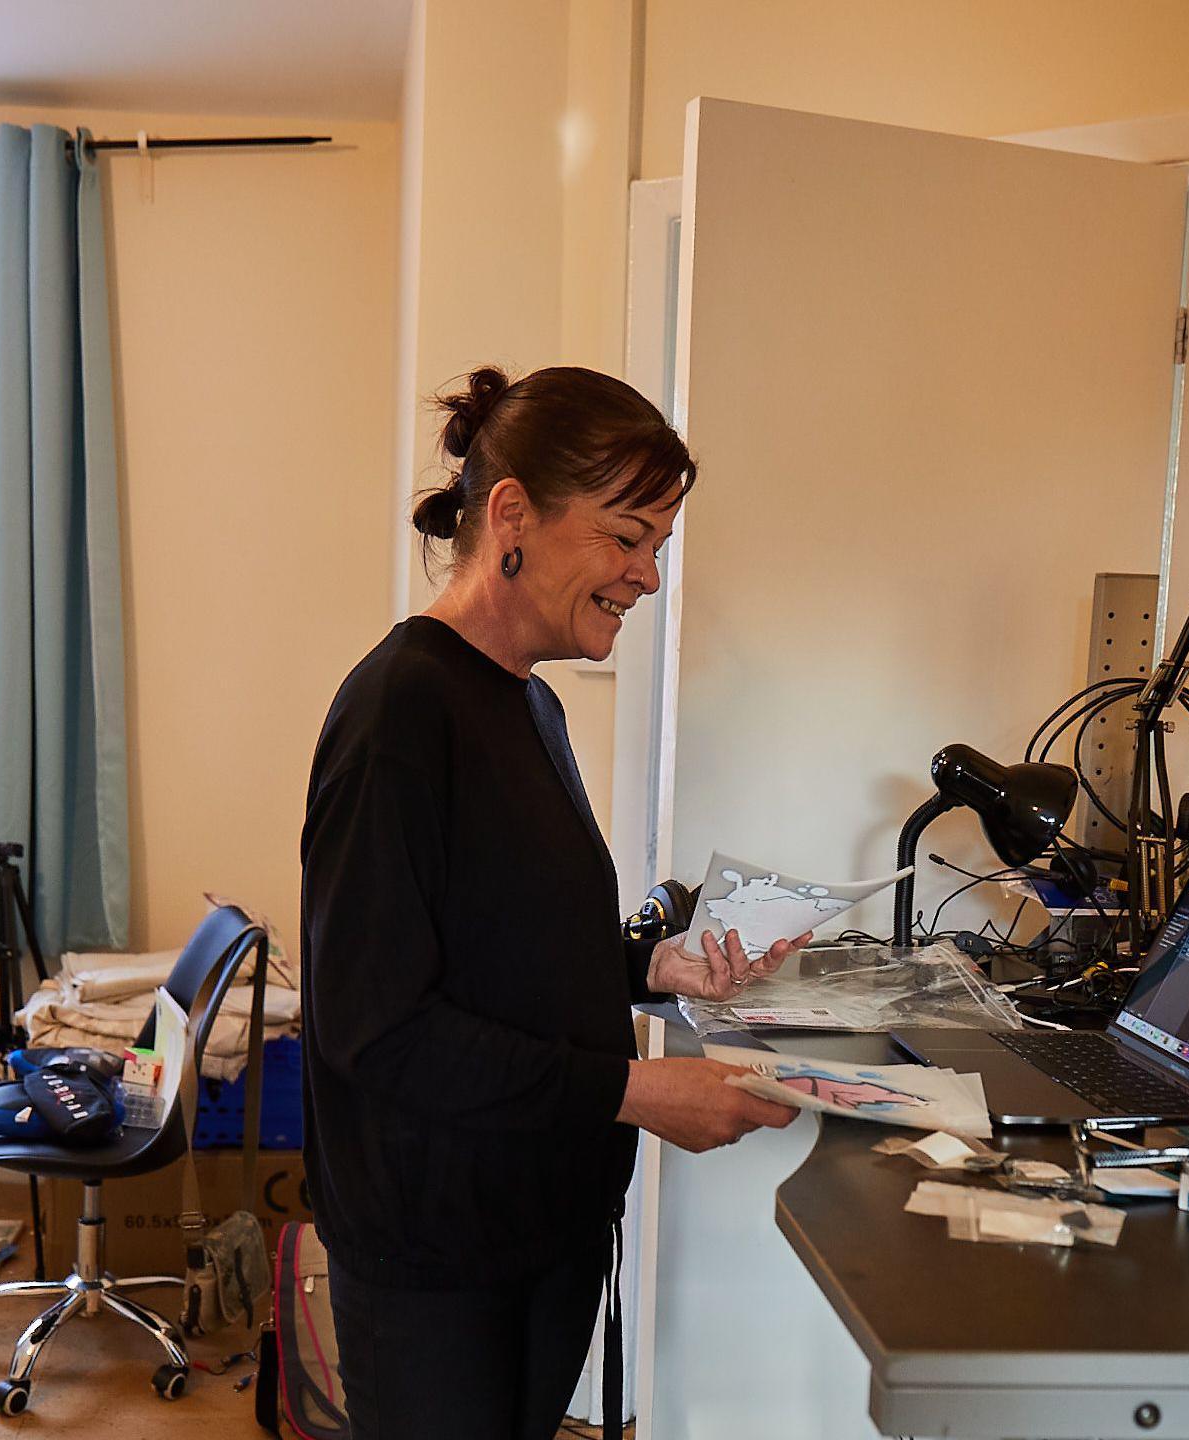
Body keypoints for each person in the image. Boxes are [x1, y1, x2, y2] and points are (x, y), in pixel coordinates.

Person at [301, 365, 806, 1439]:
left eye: (657, 547)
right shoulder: (400, 712)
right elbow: (376, 1028)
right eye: (626, 538)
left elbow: (497, 939)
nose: (647, 577)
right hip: (437, 1252)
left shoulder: (527, 704)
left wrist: (643, 968)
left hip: (541, 1221)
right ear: (513, 513)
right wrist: (635, 1090)